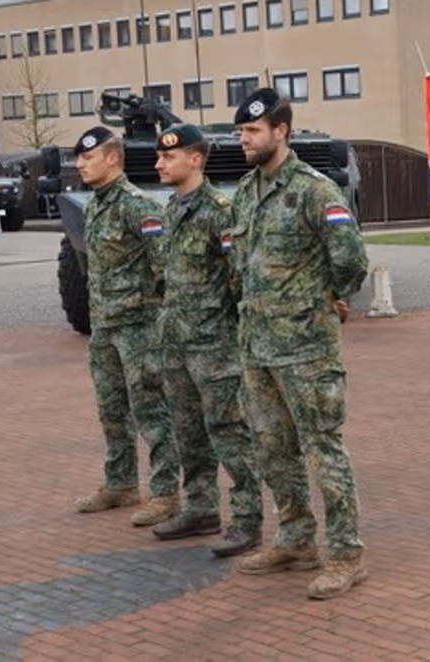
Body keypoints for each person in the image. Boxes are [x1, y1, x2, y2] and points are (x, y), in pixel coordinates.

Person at [229, 89, 370, 599]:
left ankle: (347, 554)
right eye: (241, 131)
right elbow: (239, 267)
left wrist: (324, 299)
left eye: (252, 131)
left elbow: (350, 260)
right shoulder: (246, 192)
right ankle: (294, 537)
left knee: (321, 450)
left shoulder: (315, 191)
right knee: (272, 449)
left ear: (281, 131)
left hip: (307, 349)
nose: (243, 139)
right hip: (257, 349)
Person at [150, 124, 263, 557]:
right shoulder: (169, 211)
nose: (159, 163)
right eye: (159, 157)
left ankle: (247, 520)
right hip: (176, 344)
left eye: (168, 157)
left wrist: (236, 340)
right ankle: (200, 508)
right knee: (187, 433)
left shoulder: (221, 210)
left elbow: (240, 280)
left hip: (215, 348)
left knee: (231, 435)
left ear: (195, 160)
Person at [71, 126, 181, 526]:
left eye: (88, 156)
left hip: (139, 327)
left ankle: (166, 493)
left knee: (152, 411)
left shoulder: (140, 206)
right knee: (111, 411)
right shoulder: (96, 205)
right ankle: (120, 484)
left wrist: (154, 314)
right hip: (105, 327)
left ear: (113, 158)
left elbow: (165, 266)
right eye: (79, 158)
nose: (80, 163)